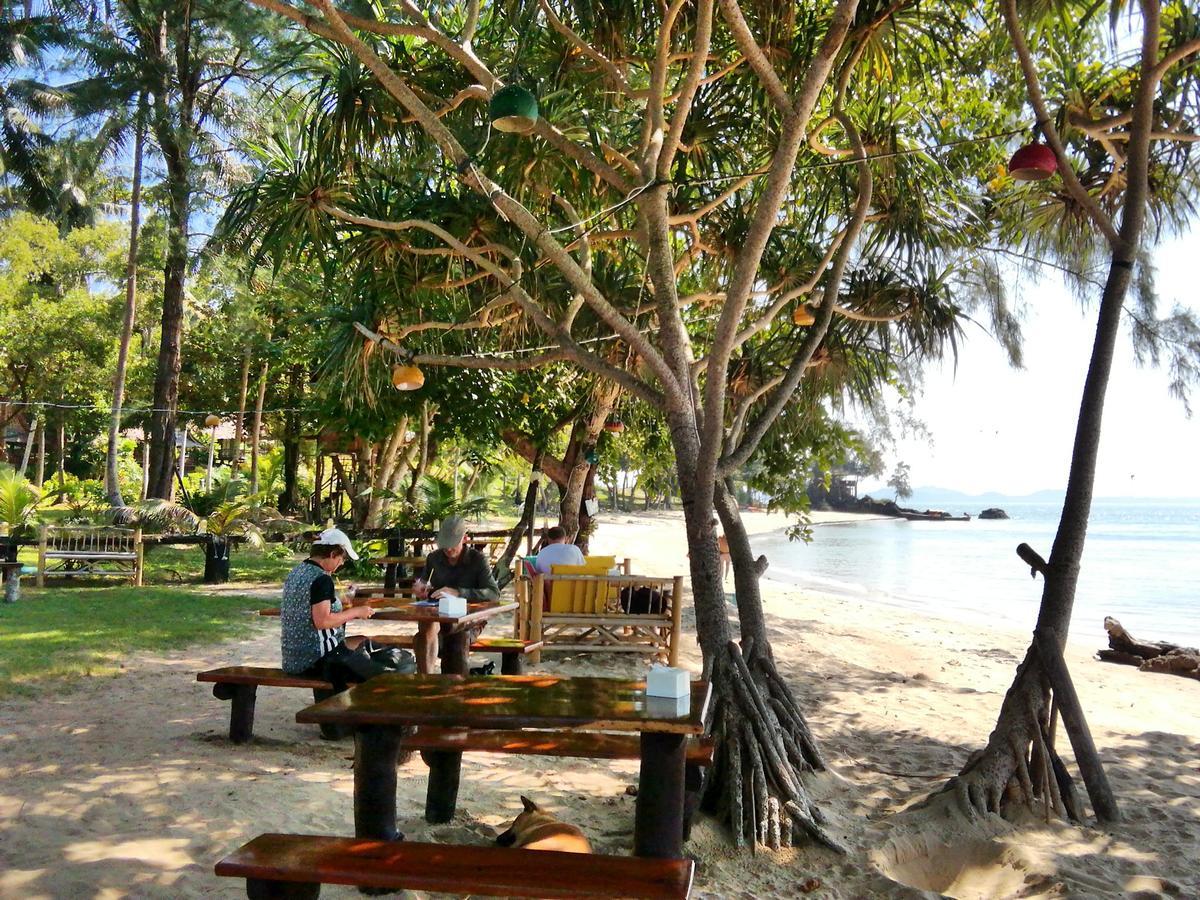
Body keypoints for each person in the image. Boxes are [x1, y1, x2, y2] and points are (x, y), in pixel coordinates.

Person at [280, 527, 404, 693]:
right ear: (332, 554)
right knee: (393, 670)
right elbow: (322, 621)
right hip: (318, 659)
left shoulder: (296, 572)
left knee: (363, 642)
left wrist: (338, 602)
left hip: (293, 658)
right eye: (342, 557)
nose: (342, 563)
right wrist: (356, 611)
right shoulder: (321, 579)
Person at [412, 516, 500, 673]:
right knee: (424, 630)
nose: (448, 549)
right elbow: (425, 582)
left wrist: (459, 592)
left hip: (469, 619)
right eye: (445, 545)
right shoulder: (434, 558)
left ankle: (451, 689)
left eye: (453, 544)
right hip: (438, 616)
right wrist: (421, 588)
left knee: (457, 640)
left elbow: (493, 593)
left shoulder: (477, 560)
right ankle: (426, 682)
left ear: (465, 539)